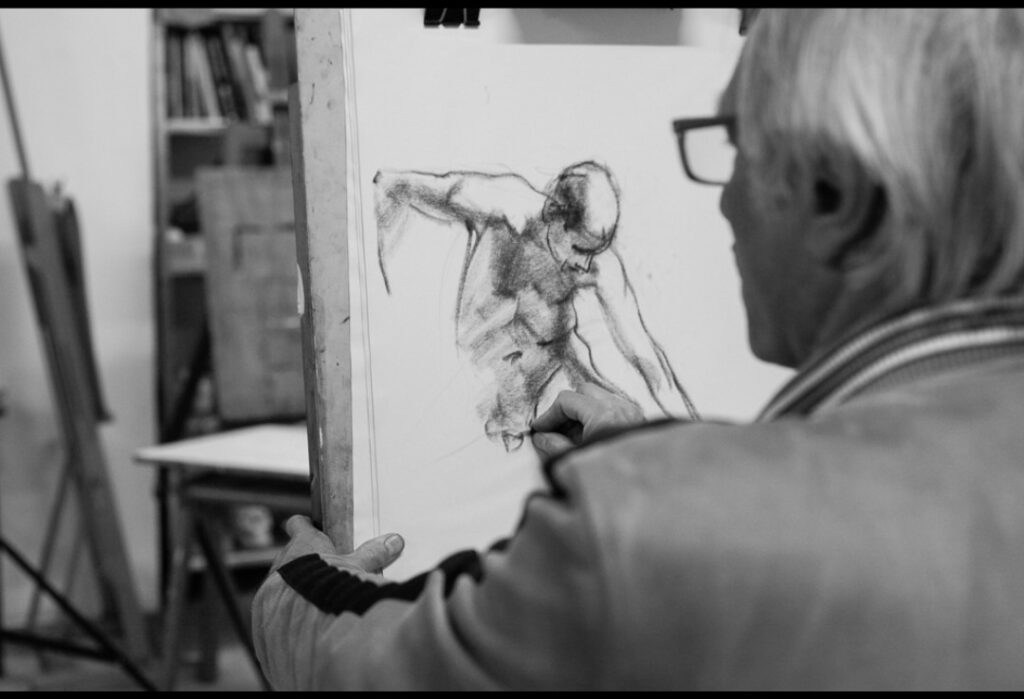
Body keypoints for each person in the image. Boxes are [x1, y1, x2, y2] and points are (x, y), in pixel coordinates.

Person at [252, 8, 1024, 690]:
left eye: (735, 147)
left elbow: (385, 674)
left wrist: (297, 590)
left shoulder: (645, 530)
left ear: (836, 197)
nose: (725, 200)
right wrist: (668, 452)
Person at [373, 161, 699, 452]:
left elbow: (643, 354)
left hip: (542, 387)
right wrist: (383, 286)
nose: (585, 265)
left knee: (614, 418)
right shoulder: (503, 207)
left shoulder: (601, 267)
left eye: (594, 253)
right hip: (476, 374)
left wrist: (696, 435)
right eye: (579, 248)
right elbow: (398, 186)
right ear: (554, 214)